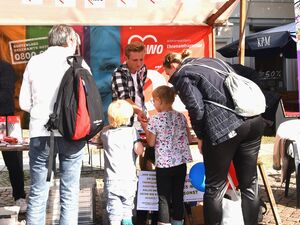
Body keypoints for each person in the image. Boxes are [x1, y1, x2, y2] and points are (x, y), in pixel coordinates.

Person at [162, 51, 265, 225]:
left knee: (214, 187)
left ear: (173, 66)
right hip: (254, 120)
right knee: (249, 184)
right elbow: (250, 73)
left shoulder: (184, 74)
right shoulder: (211, 62)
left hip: (225, 127)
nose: (169, 77)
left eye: (167, 73)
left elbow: (196, 108)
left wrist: (201, 136)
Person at [19, 24, 89, 225]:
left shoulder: (34, 61)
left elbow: (24, 103)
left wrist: (42, 113)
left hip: (40, 132)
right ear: (69, 41)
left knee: (38, 192)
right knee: (69, 192)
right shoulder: (79, 64)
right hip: (72, 133)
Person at [140, 85, 193, 225]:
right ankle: (178, 223)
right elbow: (189, 138)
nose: (154, 104)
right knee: (178, 196)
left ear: (159, 100)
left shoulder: (155, 119)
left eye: (153, 101)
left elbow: (151, 143)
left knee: (163, 198)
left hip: (164, 164)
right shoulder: (181, 117)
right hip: (180, 163)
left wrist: (146, 128)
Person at [100, 100, 144, 225]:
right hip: (129, 180)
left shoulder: (106, 134)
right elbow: (139, 150)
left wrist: (110, 125)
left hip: (112, 180)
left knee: (114, 213)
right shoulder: (132, 132)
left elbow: (101, 133)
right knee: (127, 210)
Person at [0, 59, 27, 213]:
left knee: (13, 163)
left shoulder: (5, 68)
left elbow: (5, 95)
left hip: (6, 120)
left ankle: (19, 196)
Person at [111, 41, 148, 127]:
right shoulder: (119, 73)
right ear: (126, 58)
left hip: (140, 115)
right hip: (124, 119)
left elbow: (140, 92)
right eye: (135, 60)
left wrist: (141, 112)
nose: (139, 63)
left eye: (141, 59)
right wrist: (139, 112)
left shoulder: (143, 69)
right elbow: (125, 99)